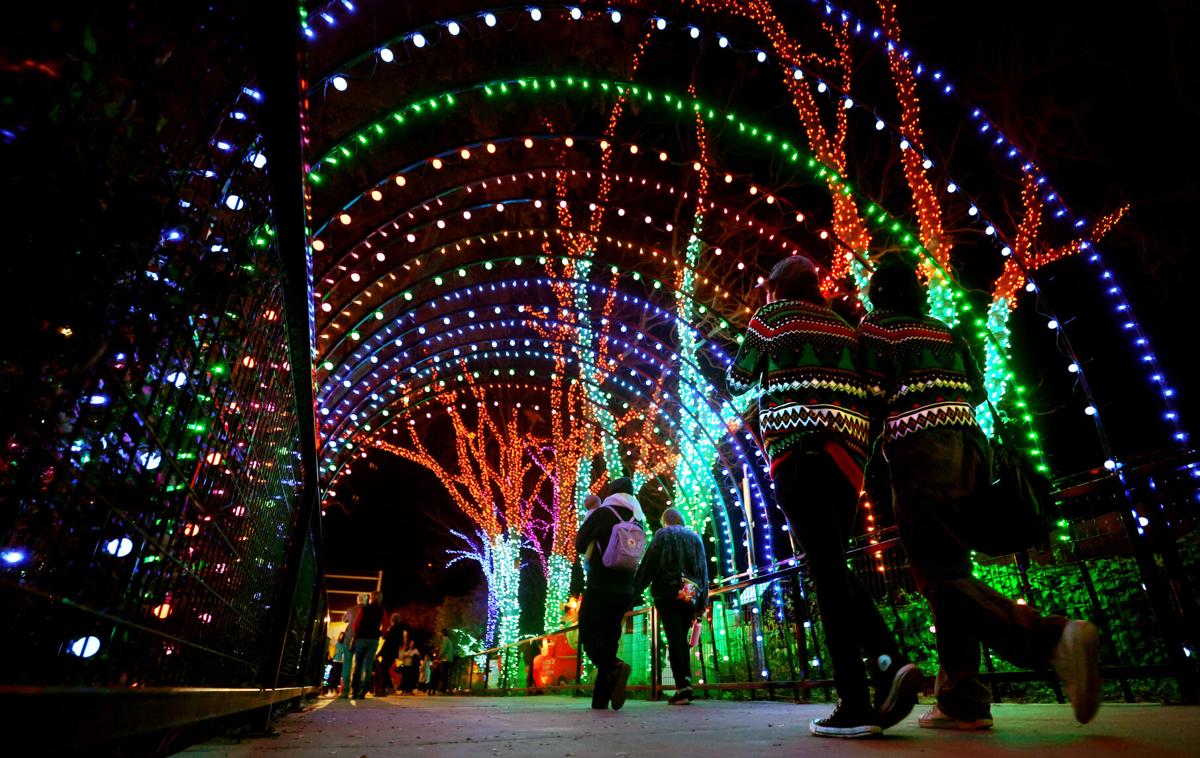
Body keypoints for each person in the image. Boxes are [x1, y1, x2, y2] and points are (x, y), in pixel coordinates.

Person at [858, 254, 1101, 729]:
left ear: (878, 292)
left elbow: (868, 400)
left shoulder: (874, 333)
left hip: (919, 456)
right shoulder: (946, 332)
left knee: (938, 577)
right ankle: (961, 699)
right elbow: (973, 387)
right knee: (953, 570)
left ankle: (1050, 638)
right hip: (971, 450)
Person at [726, 254, 920, 738]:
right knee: (830, 564)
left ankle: (862, 692)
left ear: (775, 287)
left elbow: (736, 379)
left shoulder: (771, 318)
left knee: (825, 572)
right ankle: (883, 665)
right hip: (850, 459)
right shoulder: (843, 324)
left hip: (798, 450)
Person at [574, 476, 645, 711]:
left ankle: (615, 666)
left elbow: (579, 543)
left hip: (600, 585)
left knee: (588, 632)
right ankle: (601, 699)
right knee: (610, 639)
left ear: (611, 493)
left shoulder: (604, 513)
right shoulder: (638, 518)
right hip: (625, 588)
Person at [633, 507, 708, 705]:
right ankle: (686, 683)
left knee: (673, 638)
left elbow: (649, 564)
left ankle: (682, 688)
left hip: (666, 592)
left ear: (665, 522)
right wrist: (702, 601)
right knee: (681, 637)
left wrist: (634, 590)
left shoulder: (662, 535)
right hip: (689, 593)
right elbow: (703, 571)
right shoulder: (694, 538)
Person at [350, 592, 384, 699]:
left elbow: (356, 625)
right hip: (373, 640)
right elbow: (386, 626)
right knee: (368, 666)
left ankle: (355, 691)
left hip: (361, 638)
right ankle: (364, 691)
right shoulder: (382, 611)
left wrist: (358, 632)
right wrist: (379, 633)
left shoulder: (364, 609)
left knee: (358, 665)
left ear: (371, 598)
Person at [337, 596, 365, 699]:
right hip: (361, 640)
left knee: (347, 665)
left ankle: (345, 691)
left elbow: (343, 619)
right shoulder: (368, 611)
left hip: (348, 639)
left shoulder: (351, 609)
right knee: (360, 666)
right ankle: (356, 690)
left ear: (358, 600)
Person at [375, 613, 405, 696]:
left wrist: (379, 653)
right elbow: (400, 643)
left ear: (392, 620)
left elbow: (387, 642)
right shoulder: (400, 630)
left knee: (383, 668)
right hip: (393, 652)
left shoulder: (393, 629)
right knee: (385, 668)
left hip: (388, 652)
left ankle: (386, 687)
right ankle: (388, 687)